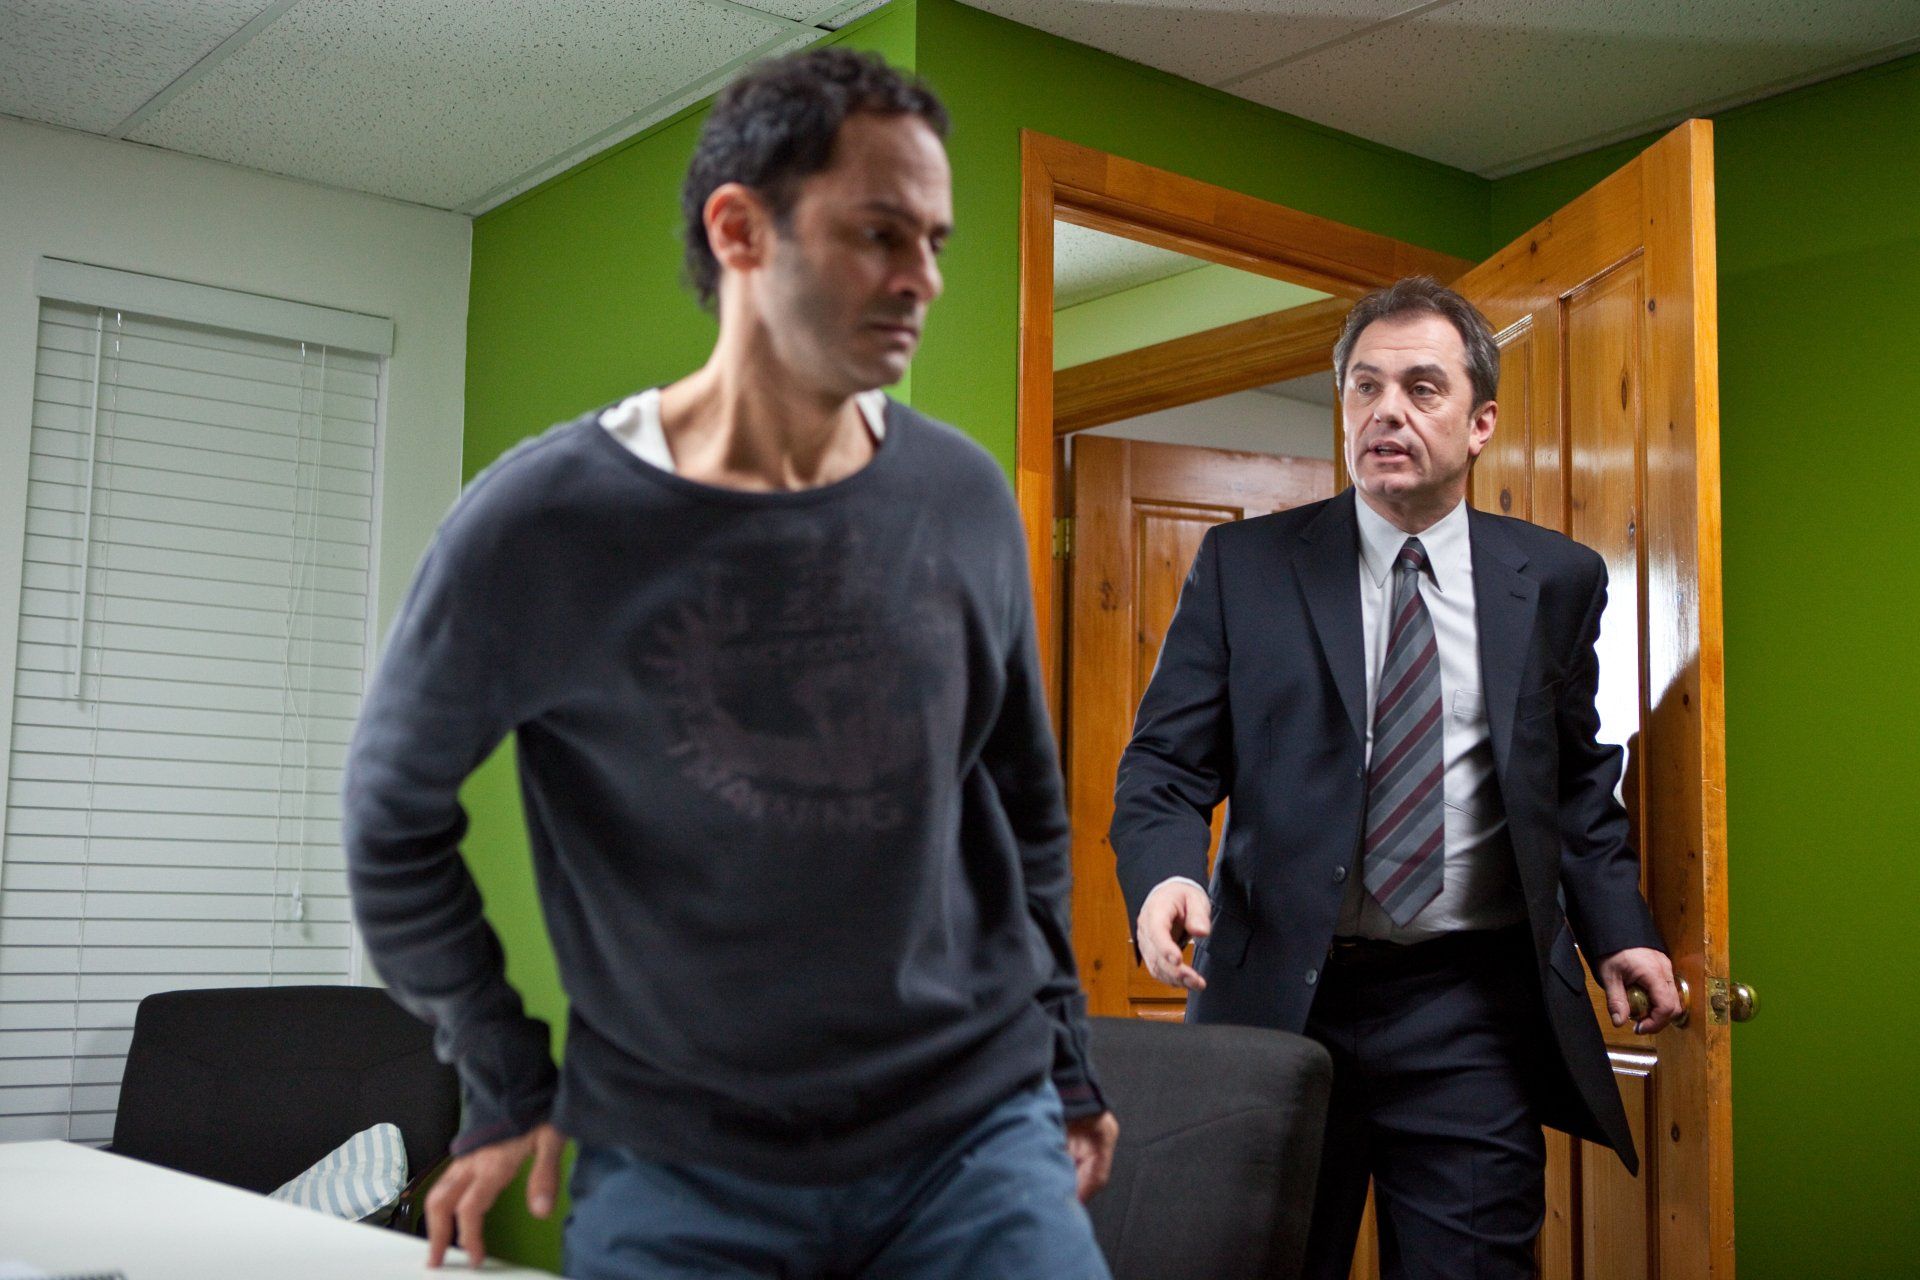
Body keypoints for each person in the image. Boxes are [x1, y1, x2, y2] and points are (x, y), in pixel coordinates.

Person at [343, 48, 1116, 1280]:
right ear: (741, 230)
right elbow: (391, 820)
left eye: (935, 241)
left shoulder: (964, 495)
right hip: (679, 1162)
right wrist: (503, 1069)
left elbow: (1023, 801)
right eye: (880, 232)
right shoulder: (542, 523)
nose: (923, 277)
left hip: (971, 1134)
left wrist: (1066, 1059)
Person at [1109, 276, 1683, 1279]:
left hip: (1469, 1011)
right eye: (1365, 387)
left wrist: (1620, 930)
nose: (1387, 410)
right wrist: (1164, 875)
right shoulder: (1244, 566)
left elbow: (1575, 786)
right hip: (1276, 1003)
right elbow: (1164, 761)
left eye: (1422, 387)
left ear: (1480, 423)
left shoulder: (1555, 580)